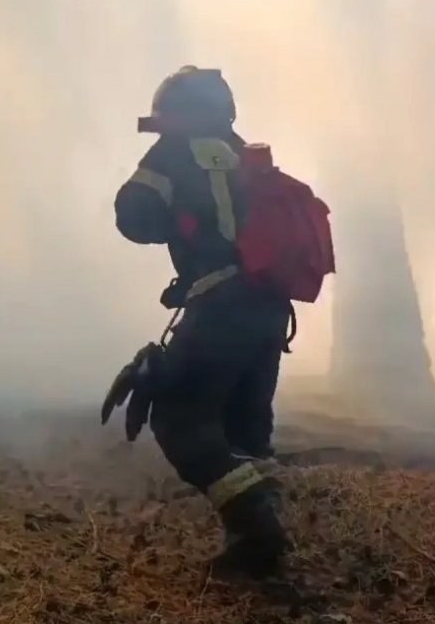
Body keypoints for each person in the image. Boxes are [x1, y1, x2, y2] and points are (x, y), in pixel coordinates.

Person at [113, 65, 304, 577]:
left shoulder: (174, 150)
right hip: (269, 311)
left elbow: (133, 215)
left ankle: (257, 527)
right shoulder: (248, 157)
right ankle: (257, 544)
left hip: (220, 304)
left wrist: (182, 225)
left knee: (179, 418)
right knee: (246, 428)